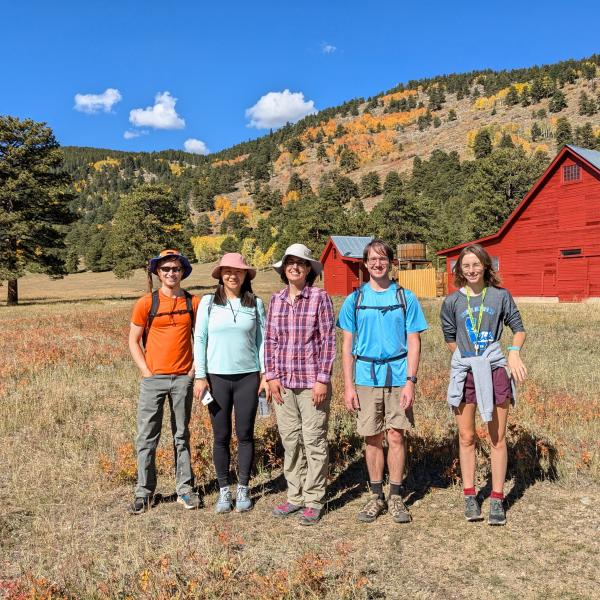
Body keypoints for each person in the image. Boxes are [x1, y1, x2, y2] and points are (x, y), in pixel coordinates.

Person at [338, 239, 428, 524]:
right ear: (365, 264)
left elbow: (414, 342)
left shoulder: (406, 298)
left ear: (391, 263)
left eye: (383, 259)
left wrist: (411, 381)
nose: (378, 264)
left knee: (396, 435)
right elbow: (347, 347)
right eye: (372, 259)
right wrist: (349, 386)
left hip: (399, 376)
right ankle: (376, 495)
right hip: (365, 377)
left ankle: (396, 496)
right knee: (372, 437)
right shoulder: (355, 301)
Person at [440, 243, 527, 526]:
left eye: (476, 264)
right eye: (466, 265)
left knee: (497, 438)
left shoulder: (500, 296)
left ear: (486, 266)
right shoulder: (452, 302)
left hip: (495, 370)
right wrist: (466, 362)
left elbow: (519, 328)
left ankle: (497, 498)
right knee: (466, 437)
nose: (472, 270)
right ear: (459, 270)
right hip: (466, 372)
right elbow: (450, 337)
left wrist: (513, 353)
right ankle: (469, 495)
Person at [264, 243, 335, 526]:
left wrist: (322, 380)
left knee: (314, 440)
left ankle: (314, 498)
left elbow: (329, 340)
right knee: (290, 440)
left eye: (300, 263)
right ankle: (295, 495)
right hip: (283, 383)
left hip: (310, 383)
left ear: (308, 270)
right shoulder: (276, 300)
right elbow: (269, 342)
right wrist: (271, 376)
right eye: (290, 263)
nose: (294, 267)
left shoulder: (320, 297)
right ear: (284, 269)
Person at [193, 253, 268, 513]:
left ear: (246, 275)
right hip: (216, 379)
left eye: (238, 271)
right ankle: (224, 490)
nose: (232, 275)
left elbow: (263, 342)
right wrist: (201, 376)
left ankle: (244, 488)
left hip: (248, 377)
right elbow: (200, 338)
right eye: (227, 271)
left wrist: (265, 375)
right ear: (220, 274)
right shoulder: (208, 303)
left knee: (245, 435)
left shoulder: (255, 303)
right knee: (221, 436)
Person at [128, 249, 201, 514]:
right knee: (147, 437)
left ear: (183, 272)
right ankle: (144, 492)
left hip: (183, 379)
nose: (171, 273)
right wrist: (146, 371)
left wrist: (193, 370)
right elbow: (133, 340)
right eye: (166, 269)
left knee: (182, 435)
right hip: (153, 380)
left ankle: (185, 490)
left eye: (176, 269)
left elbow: (202, 339)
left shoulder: (194, 303)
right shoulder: (146, 303)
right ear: (157, 273)